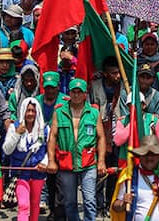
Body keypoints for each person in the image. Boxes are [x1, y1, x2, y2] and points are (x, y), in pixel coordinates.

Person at [47, 78, 108, 221]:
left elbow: (101, 137)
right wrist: (51, 161)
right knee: (69, 202)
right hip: (66, 162)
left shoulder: (94, 113)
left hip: (88, 162)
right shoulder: (59, 112)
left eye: (79, 92)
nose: (76, 95)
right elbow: (52, 137)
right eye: (73, 92)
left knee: (89, 200)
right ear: (69, 93)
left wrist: (101, 161)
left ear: (85, 94)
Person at [3, 97, 50, 221]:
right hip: (20, 173)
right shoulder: (14, 127)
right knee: (23, 205)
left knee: (35, 204)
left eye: (33, 111)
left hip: (38, 172)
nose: (30, 114)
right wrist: (17, 134)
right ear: (23, 111)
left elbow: (49, 150)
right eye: (28, 110)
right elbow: (7, 150)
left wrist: (44, 163)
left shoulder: (44, 129)